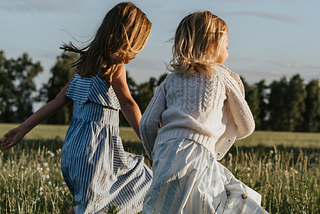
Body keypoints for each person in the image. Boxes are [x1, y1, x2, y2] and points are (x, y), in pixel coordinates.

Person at [1, 2, 153, 214]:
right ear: (130, 38)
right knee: (145, 180)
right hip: (96, 155)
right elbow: (127, 104)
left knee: (88, 207)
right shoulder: (115, 67)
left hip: (74, 153)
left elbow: (56, 101)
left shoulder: (86, 65)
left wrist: (22, 129)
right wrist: (149, 143)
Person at [140, 11, 269, 214]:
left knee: (165, 208)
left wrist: (154, 154)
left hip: (165, 154)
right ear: (213, 45)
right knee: (213, 205)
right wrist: (226, 131)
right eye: (226, 44)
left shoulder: (171, 80)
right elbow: (247, 124)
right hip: (199, 155)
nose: (228, 48)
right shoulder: (222, 76)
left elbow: (147, 123)